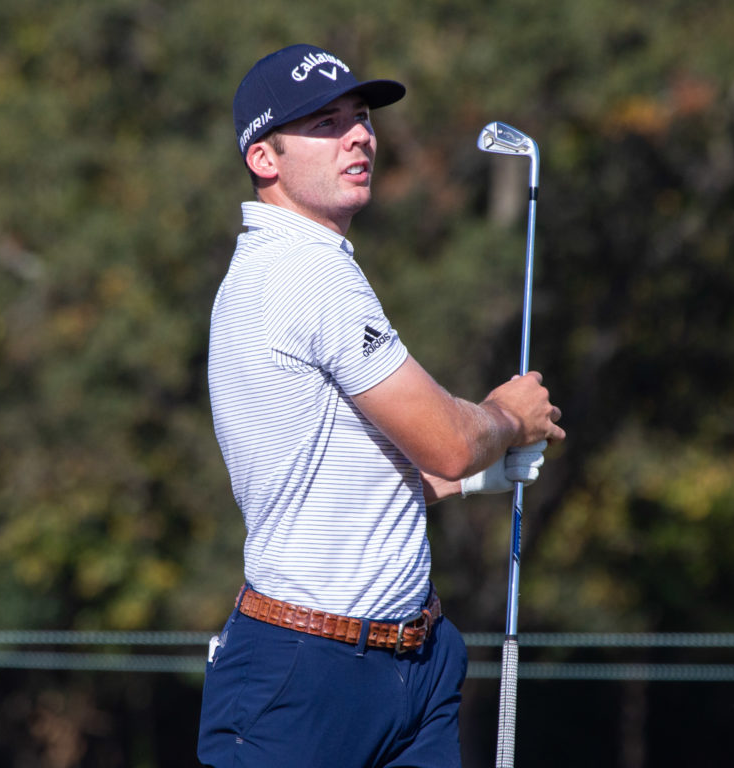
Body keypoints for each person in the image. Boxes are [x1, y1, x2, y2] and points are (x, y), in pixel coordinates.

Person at [198, 44, 565, 768]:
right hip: (304, 675)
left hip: (411, 664)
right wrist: (505, 416)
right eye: (326, 123)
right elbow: (451, 442)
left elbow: (351, 484)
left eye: (361, 118)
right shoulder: (305, 272)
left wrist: (483, 478)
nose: (360, 135)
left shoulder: (298, 267)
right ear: (264, 158)